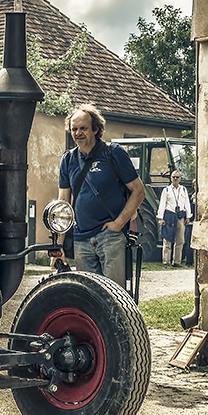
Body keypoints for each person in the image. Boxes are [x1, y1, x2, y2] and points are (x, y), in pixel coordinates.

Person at [56, 104, 146, 287]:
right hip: (81, 239)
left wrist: (119, 224)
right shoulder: (68, 160)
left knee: (114, 296)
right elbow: (63, 204)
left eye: (83, 128)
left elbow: (139, 191)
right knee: (89, 299)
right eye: (74, 129)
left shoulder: (113, 153)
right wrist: (58, 245)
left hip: (110, 237)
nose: (78, 133)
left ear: (96, 129)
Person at [157, 170, 193, 266]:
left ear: (180, 179)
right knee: (167, 239)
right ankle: (166, 261)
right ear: (171, 178)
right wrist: (161, 217)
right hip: (169, 215)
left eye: (177, 177)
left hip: (180, 216)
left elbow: (187, 204)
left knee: (180, 240)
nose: (175, 179)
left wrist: (188, 217)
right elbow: (162, 204)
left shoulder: (183, 190)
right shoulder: (167, 190)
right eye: (174, 177)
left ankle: (177, 261)